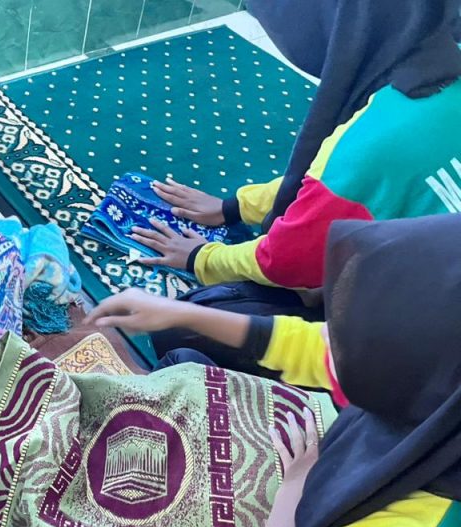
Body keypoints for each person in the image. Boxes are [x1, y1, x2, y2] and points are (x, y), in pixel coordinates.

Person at [88, 214, 461, 527]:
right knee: (185, 362)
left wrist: (293, 491)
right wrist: (182, 315)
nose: (328, 333)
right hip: (332, 470)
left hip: (298, 525)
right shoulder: (440, 399)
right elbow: (318, 350)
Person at [129, 0, 461, 374]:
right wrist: (233, 207)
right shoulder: (442, 63)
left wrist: (200, 258)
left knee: (184, 326)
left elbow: (281, 262)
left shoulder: (371, 143)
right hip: (436, 300)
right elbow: (342, 186)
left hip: (427, 369)